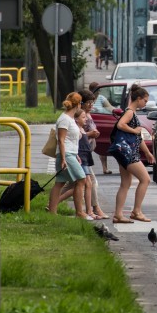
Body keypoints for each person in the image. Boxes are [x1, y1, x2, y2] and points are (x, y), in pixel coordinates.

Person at [110, 85, 153, 224]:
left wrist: (147, 152)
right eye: (145, 101)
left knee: (125, 183)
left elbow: (138, 138)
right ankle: (136, 211)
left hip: (125, 152)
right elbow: (121, 125)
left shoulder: (132, 113)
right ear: (138, 99)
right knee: (145, 179)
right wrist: (134, 131)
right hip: (128, 152)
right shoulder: (130, 112)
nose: (145, 103)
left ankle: (118, 214)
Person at [47, 92, 89, 219]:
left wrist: (75, 155)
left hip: (71, 154)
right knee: (81, 179)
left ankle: (52, 212)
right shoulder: (64, 119)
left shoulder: (69, 119)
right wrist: (64, 158)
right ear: (79, 104)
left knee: (60, 182)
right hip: (66, 155)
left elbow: (71, 140)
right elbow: (61, 140)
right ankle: (79, 212)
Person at [78, 90, 109, 220]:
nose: (91, 105)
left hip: (86, 152)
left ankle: (51, 205)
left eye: (93, 102)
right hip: (81, 153)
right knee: (91, 182)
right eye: (89, 103)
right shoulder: (80, 115)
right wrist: (91, 134)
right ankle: (93, 209)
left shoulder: (88, 114)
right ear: (82, 103)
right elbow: (77, 133)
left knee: (74, 184)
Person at [89, 80, 115, 175]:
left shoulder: (101, 98)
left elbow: (110, 108)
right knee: (87, 146)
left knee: (101, 146)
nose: (98, 93)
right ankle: (86, 167)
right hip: (87, 125)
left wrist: (115, 110)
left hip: (99, 125)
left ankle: (105, 168)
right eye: (96, 91)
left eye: (98, 91)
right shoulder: (87, 99)